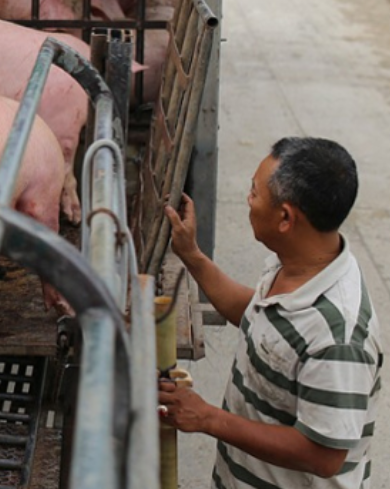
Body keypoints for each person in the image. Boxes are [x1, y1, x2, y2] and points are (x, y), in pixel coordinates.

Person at [159, 137, 382, 488]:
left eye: (254, 193)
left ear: (285, 218)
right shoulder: (299, 265)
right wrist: (192, 255)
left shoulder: (338, 338)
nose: (248, 201)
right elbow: (260, 321)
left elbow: (323, 455)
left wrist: (207, 418)